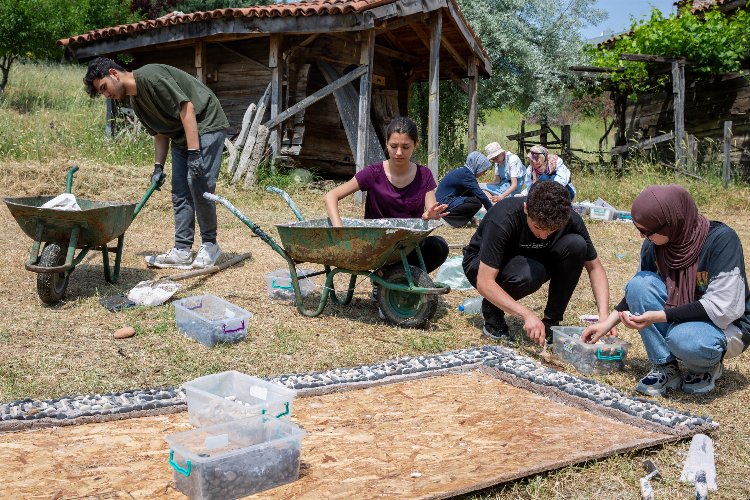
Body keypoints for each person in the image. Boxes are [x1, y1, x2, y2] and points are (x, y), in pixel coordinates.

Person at [583, 185, 750, 396]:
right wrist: (606, 324)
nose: (642, 237)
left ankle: (706, 367)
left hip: (726, 326)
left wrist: (660, 316)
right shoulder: (655, 245)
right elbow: (637, 292)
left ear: (670, 223)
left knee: (683, 338)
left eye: (646, 231)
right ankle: (665, 366)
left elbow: (722, 307)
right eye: (639, 230)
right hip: (681, 317)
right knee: (640, 284)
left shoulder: (721, 241)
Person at [83, 57, 229, 269]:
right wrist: (158, 167)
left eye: (104, 87)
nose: (106, 95)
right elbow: (160, 132)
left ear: (114, 74)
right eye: (101, 93)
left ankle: (210, 245)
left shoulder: (151, 77)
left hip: (206, 122)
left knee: (198, 184)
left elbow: (186, 108)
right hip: (180, 134)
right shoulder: (136, 102)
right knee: (179, 191)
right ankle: (182, 250)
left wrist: (195, 152)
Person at [462, 181, 614, 345]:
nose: (543, 236)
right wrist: (526, 314)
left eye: (552, 231)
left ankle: (551, 323)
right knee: (528, 274)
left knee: (576, 245)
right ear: (526, 208)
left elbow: (595, 268)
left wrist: (604, 317)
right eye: (537, 227)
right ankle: (492, 310)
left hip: (530, 258)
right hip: (482, 265)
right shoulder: (504, 217)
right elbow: (485, 282)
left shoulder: (570, 218)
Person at [324, 116, 449, 273]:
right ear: (386, 144)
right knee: (384, 256)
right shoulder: (373, 173)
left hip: (408, 246)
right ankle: (385, 277)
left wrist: (429, 215)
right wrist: (339, 230)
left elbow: (430, 210)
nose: (398, 152)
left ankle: (394, 279)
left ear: (415, 145)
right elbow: (331, 196)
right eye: (394, 146)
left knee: (439, 247)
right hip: (377, 248)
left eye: (405, 147)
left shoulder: (424, 174)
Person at [435, 151, 493, 228]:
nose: (484, 174)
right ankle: (448, 221)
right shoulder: (467, 175)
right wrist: (493, 211)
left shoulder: (464, 171)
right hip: (443, 204)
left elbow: (475, 193)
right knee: (476, 203)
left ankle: (464, 219)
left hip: (442, 203)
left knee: (472, 196)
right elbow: (481, 196)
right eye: (484, 170)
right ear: (477, 166)